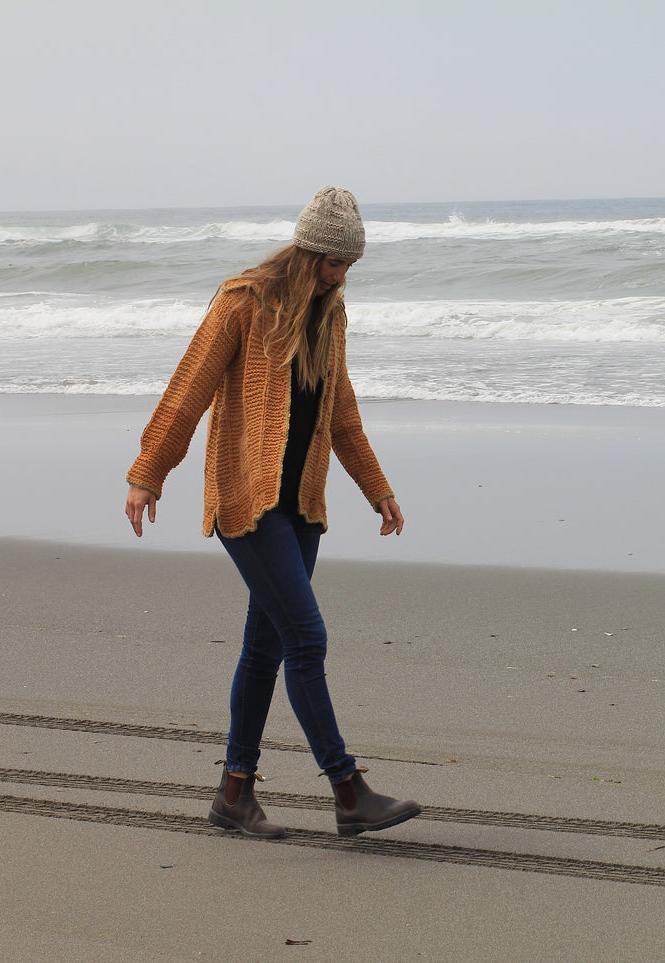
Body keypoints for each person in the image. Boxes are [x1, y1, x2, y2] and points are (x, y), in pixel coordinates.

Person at [125, 186, 420, 839]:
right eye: (331, 263)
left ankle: (234, 791)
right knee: (306, 639)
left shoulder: (330, 315)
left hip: (301, 507)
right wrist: (150, 471)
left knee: (265, 647)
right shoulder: (245, 302)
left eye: (348, 266)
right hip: (246, 500)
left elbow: (340, 413)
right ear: (306, 250)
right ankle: (347, 790)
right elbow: (188, 391)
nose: (340, 277)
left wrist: (377, 487)